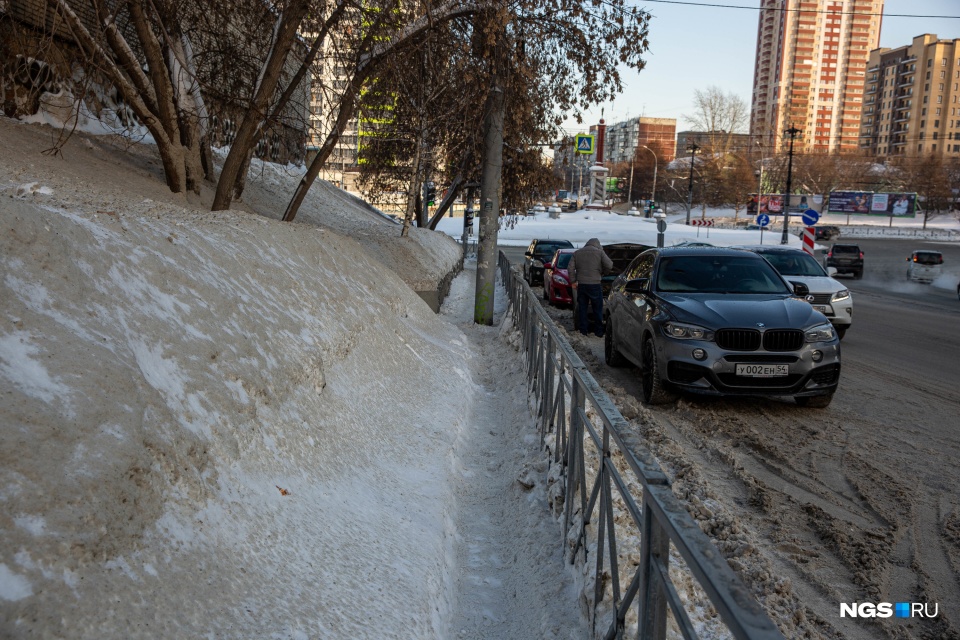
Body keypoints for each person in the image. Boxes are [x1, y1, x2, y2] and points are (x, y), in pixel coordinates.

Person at [569, 238, 613, 337]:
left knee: (582, 308)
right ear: (597, 244)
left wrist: (573, 281)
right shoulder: (600, 252)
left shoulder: (577, 253)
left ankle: (583, 331)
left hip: (582, 285)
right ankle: (599, 332)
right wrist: (603, 273)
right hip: (595, 284)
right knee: (597, 309)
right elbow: (610, 265)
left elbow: (570, 268)